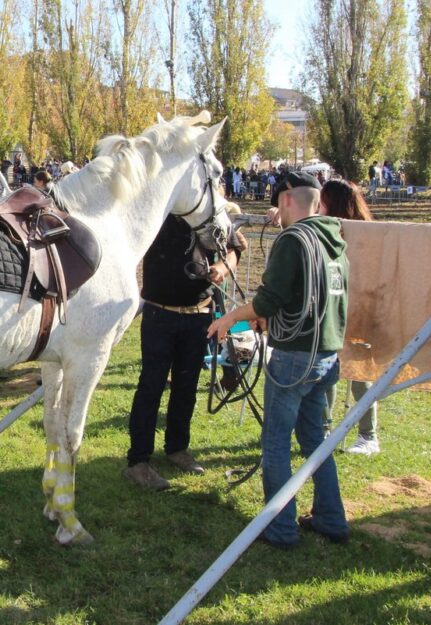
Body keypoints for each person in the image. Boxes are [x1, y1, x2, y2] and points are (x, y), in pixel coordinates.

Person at [208, 171, 350, 548]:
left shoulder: (293, 239)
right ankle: (331, 518)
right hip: (325, 355)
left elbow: (270, 300)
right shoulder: (332, 237)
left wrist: (230, 316)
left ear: (287, 199)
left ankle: (281, 528)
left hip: (293, 357)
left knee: (275, 442)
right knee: (315, 441)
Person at [123, 206, 245, 491]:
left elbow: (234, 248)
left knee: (186, 386)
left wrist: (223, 268)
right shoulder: (158, 210)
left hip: (199, 315)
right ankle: (138, 461)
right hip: (159, 313)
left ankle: (177, 448)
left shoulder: (211, 211)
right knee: (150, 387)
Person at [318, 179, 380, 455]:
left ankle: (368, 436)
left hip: (361, 309)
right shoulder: (325, 229)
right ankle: (323, 430)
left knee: (359, 375)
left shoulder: (366, 234)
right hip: (332, 308)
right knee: (328, 369)